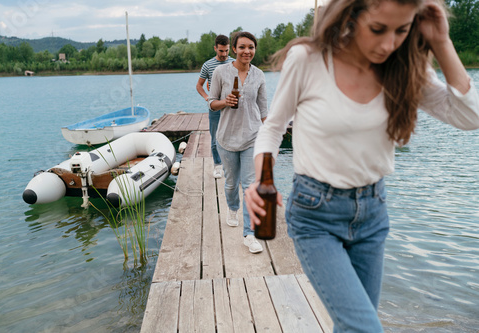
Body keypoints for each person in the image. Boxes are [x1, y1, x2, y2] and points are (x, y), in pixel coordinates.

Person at [245, 0, 479, 331]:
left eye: (402, 30)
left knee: (353, 327)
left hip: (372, 214)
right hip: (315, 215)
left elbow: (470, 116)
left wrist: (441, 41)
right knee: (364, 327)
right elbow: (272, 128)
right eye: (378, 29)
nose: (388, 44)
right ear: (351, 15)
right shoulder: (309, 59)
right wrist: (261, 180)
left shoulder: (404, 66)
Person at [208, 31, 268, 254]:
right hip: (226, 138)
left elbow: (263, 109)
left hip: (252, 136)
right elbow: (211, 103)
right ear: (234, 49)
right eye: (242, 47)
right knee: (231, 182)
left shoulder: (259, 75)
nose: (247, 51)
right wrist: (224, 102)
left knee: (251, 185)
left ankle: (250, 234)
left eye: (251, 47)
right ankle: (232, 208)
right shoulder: (221, 73)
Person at [196, 34, 234, 179]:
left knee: (232, 137)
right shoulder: (208, 65)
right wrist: (207, 98)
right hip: (215, 107)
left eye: (226, 51)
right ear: (215, 48)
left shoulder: (234, 62)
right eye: (221, 51)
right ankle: (218, 166)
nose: (224, 55)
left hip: (231, 107)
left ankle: (231, 167)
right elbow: (199, 85)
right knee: (215, 139)